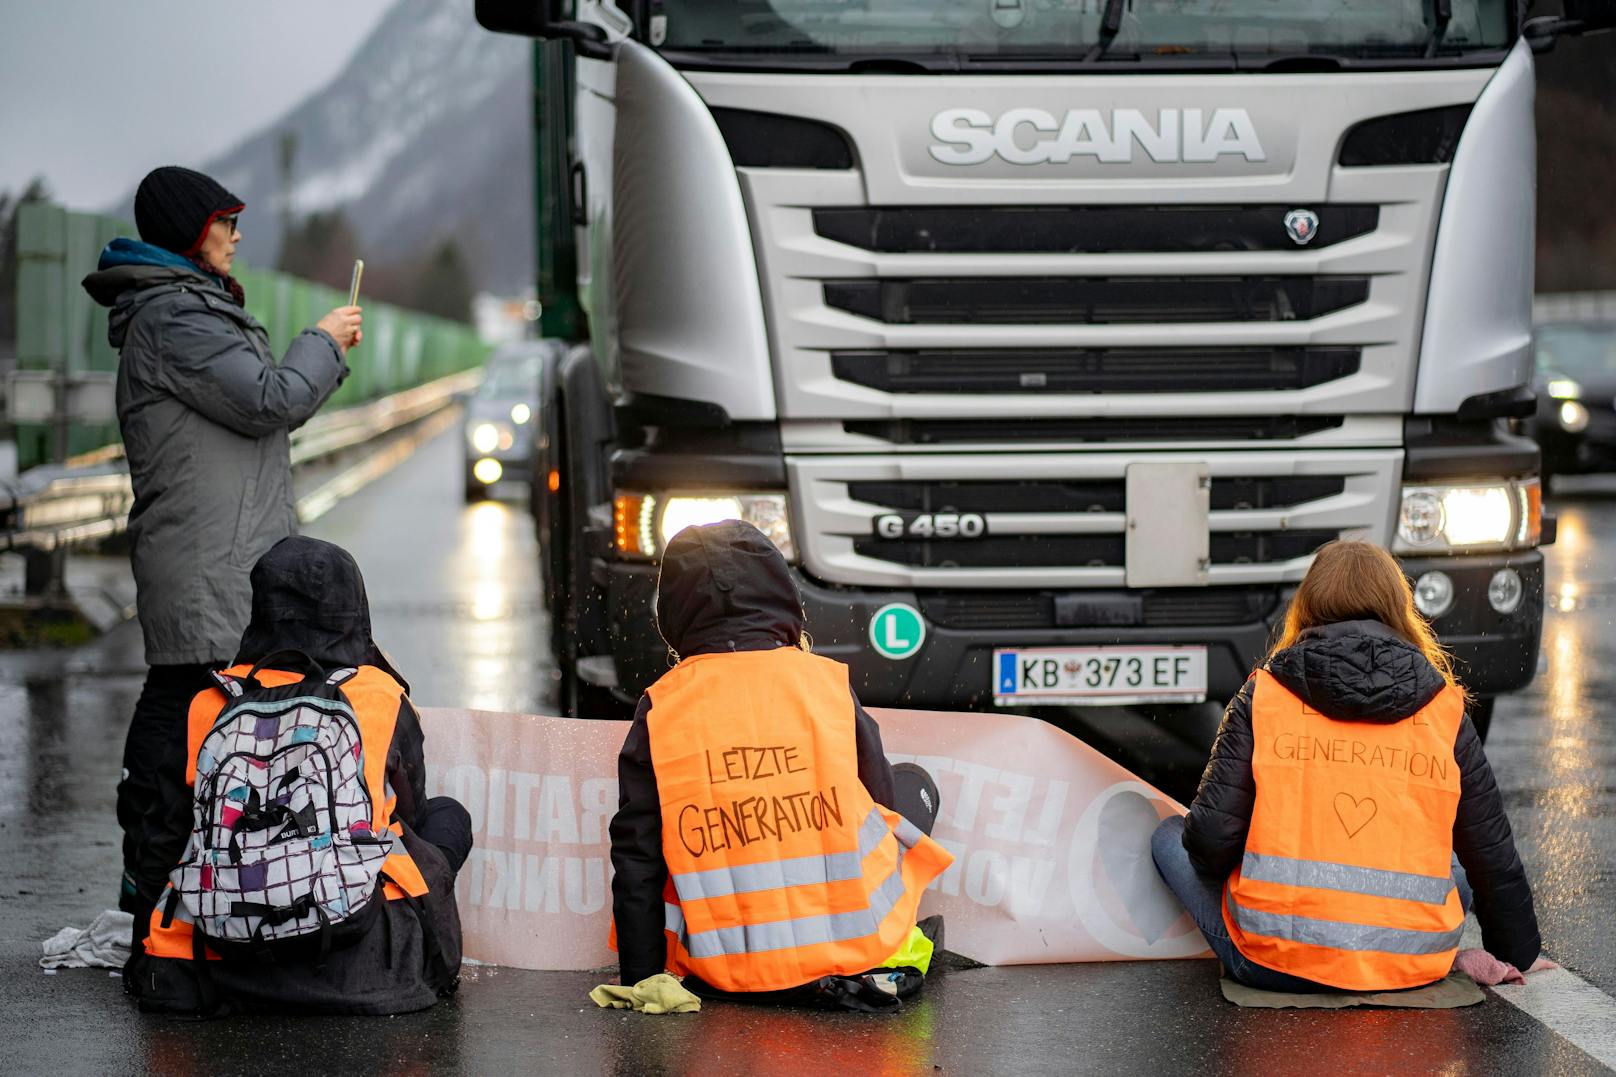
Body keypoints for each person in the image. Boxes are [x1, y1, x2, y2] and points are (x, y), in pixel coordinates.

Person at [81, 166, 361, 930]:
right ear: (189, 231)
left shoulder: (185, 309)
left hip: (218, 554)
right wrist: (322, 342)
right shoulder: (177, 318)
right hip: (207, 561)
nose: (238, 235)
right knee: (181, 717)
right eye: (225, 221)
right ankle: (154, 893)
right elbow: (271, 397)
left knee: (194, 714)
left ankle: (176, 889)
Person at [1152, 540, 1545, 993]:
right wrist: (1516, 951)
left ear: (1310, 606)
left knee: (1168, 835)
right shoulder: (1443, 707)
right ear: (1399, 608)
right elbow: (1492, 855)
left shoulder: (1265, 694)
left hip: (1274, 963)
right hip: (1412, 963)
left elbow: (1209, 842)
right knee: (1453, 864)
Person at [609, 520, 954, 1010]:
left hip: (723, 970)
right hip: (855, 952)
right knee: (911, 786)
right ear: (782, 596)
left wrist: (643, 977)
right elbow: (879, 801)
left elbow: (636, 852)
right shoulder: (825, 683)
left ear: (675, 614)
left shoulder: (662, 707)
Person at [129, 536, 471, 1015]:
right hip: (364, 967)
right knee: (444, 817)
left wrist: (141, 959)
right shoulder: (378, 695)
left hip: (212, 967)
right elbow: (407, 823)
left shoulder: (210, 701)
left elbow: (163, 841)